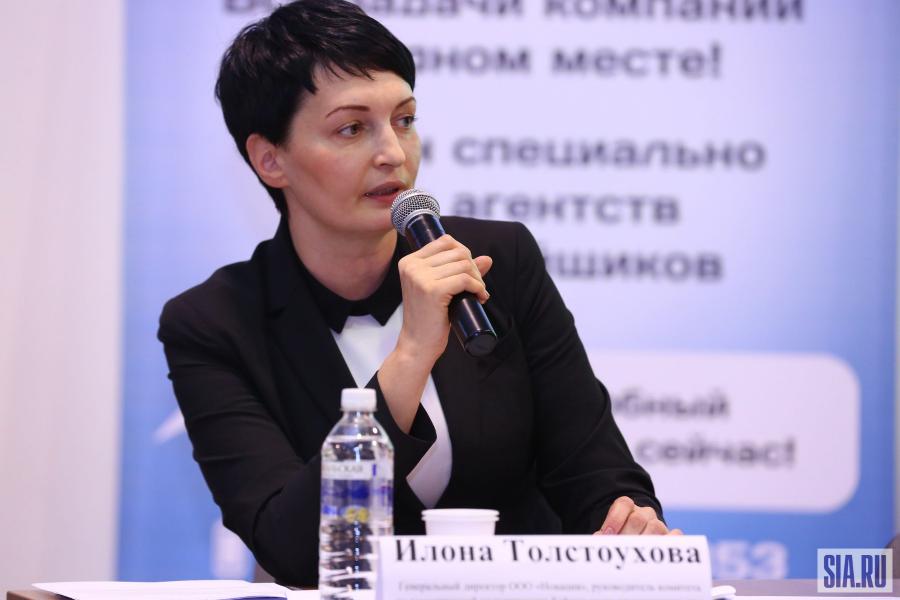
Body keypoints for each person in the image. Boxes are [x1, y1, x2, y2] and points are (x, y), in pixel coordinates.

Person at [158, 0, 676, 587]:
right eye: (352, 128)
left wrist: (627, 524)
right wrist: (410, 356)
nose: (394, 154)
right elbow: (292, 550)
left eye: (404, 120)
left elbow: (593, 472)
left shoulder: (497, 261)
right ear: (270, 159)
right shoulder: (214, 323)